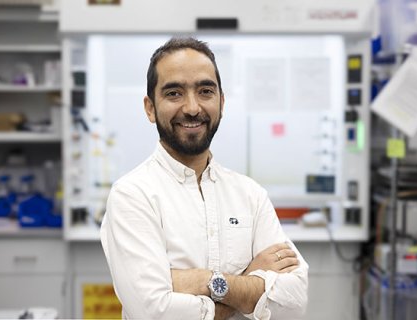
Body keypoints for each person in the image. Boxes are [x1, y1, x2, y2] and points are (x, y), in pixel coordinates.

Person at [101, 37, 308, 320]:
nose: (192, 108)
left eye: (205, 91)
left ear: (221, 102)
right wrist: (247, 284)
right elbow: (153, 312)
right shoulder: (132, 194)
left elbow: (293, 304)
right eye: (174, 93)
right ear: (150, 108)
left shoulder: (250, 195)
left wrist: (202, 281)